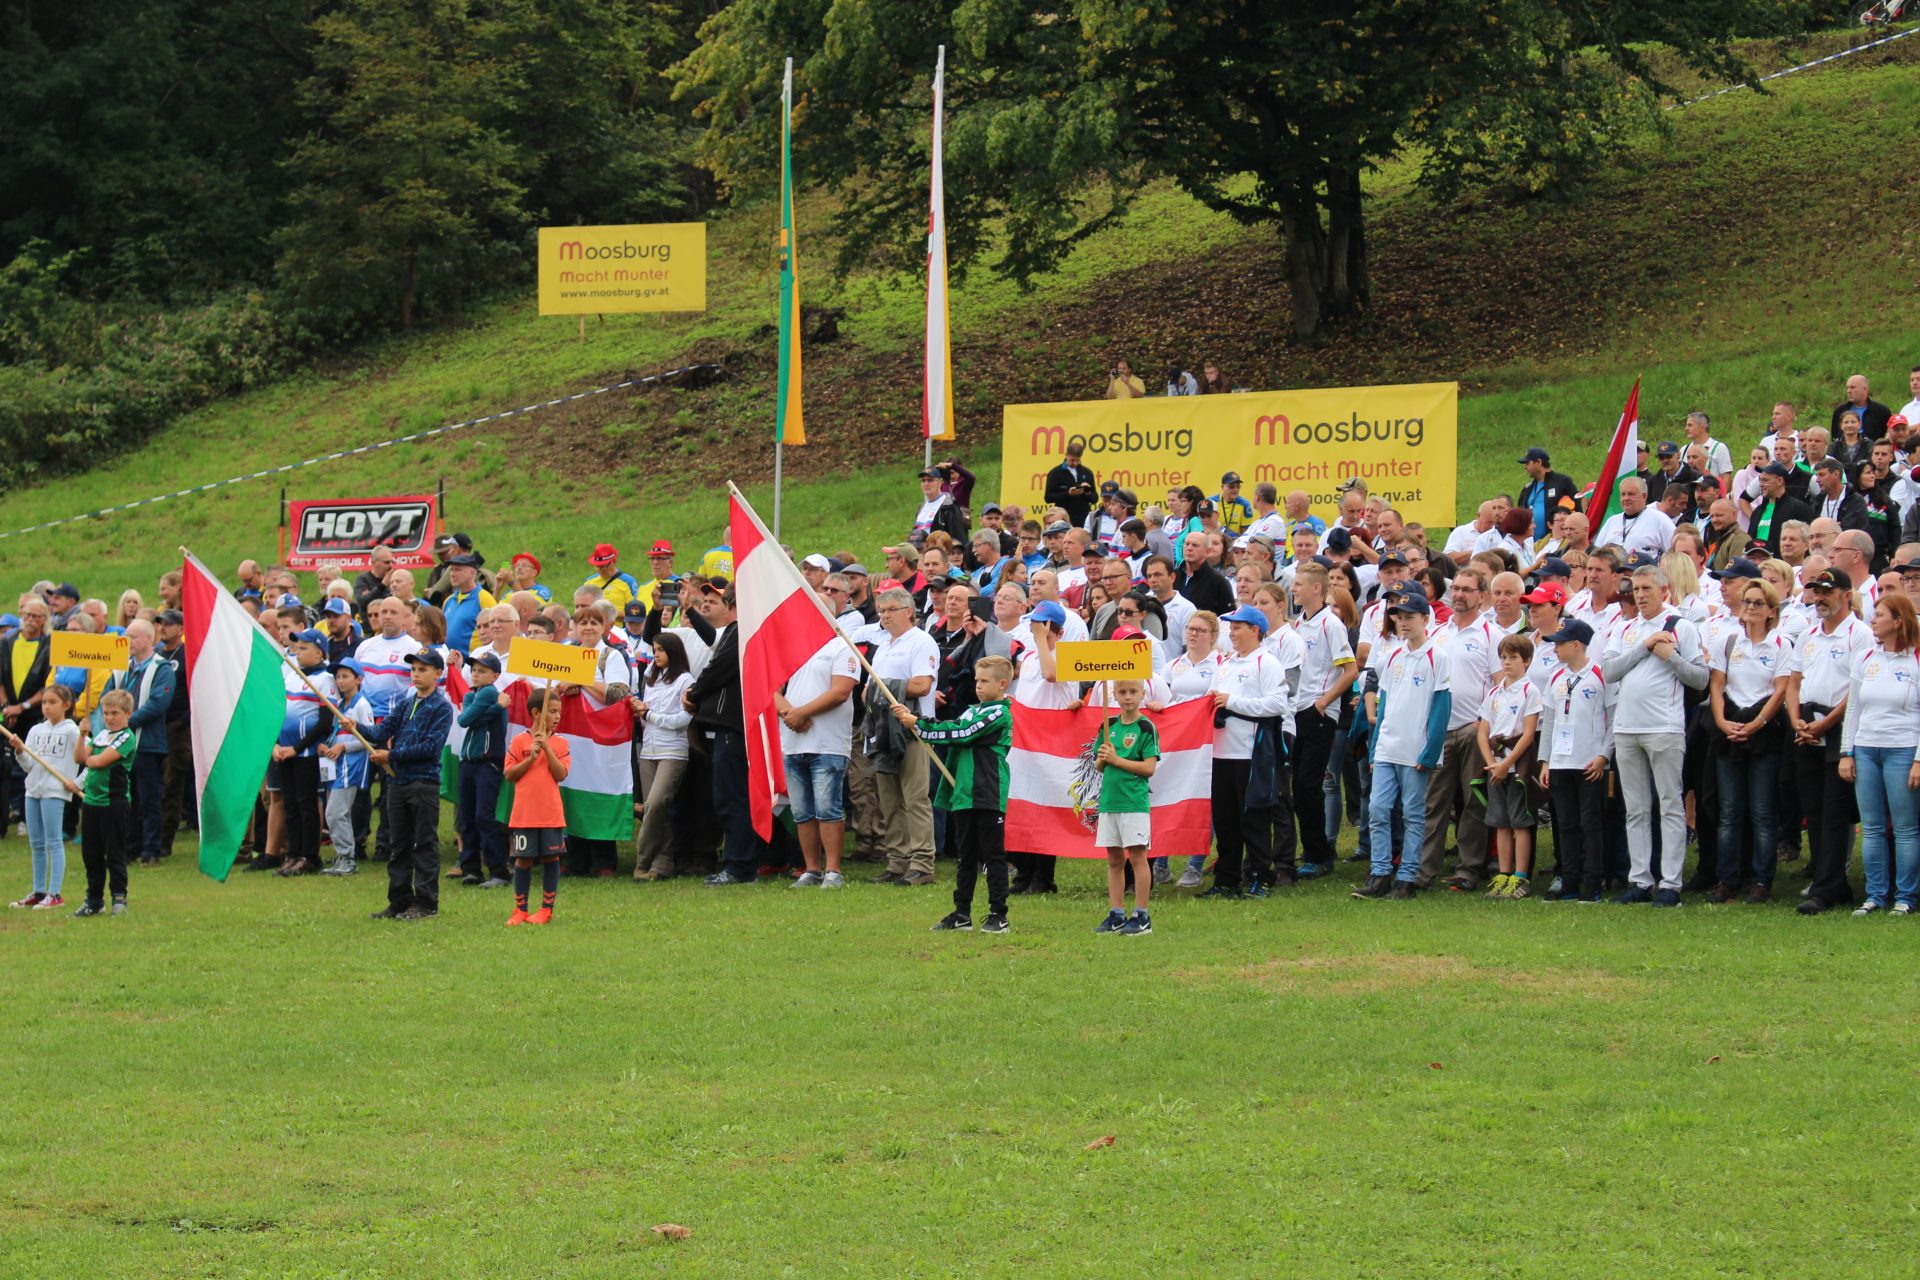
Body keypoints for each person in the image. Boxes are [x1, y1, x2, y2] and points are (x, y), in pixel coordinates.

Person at [1603, 564, 1708, 905]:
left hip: (1664, 726)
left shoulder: (1681, 626)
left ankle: (1670, 884)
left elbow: (1700, 678)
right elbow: (1609, 671)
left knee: (1669, 804)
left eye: (1647, 588)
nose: (1640, 595)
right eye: (1636, 589)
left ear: (1664, 591)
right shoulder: (1624, 628)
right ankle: (1640, 880)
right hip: (1626, 727)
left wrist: (1671, 657)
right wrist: (1645, 647)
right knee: (1635, 808)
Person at [1355, 588, 1450, 900]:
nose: (1403, 622)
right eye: (1398, 617)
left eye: (1410, 617)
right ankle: (1380, 872)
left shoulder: (1437, 657)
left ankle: (1408, 876)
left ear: (1425, 618)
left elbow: (1441, 707)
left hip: (1415, 750)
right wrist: (1374, 748)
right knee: (1378, 809)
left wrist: (1430, 751)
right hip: (1387, 747)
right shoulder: (1392, 656)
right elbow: (1383, 705)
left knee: (1413, 813)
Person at [911, 655, 1015, 934]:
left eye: (985, 681)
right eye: (977, 680)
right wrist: (920, 722)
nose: (978, 686)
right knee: (965, 856)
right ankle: (961, 914)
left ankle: (998, 914)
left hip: (988, 791)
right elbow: (955, 727)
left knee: (993, 856)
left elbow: (963, 733)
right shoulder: (971, 711)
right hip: (963, 792)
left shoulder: (999, 713)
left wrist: (920, 725)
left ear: (1002, 684)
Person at [1707, 578, 1792, 903]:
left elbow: (1781, 689)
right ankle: (1727, 878)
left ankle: (1761, 880)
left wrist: (1758, 723)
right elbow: (1717, 684)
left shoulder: (1781, 644)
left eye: (1758, 603)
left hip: (1764, 731)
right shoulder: (1729, 642)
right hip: (1730, 727)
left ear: (1772, 610)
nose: (1751, 608)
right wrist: (1720, 721)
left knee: (1763, 811)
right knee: (1730, 811)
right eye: (1747, 602)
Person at [1198, 605, 1290, 900]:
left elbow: (1278, 704)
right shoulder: (1226, 663)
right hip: (1221, 753)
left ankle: (1261, 876)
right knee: (1225, 820)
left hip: (1249, 753)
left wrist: (1233, 702)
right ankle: (1227, 879)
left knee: (1254, 818)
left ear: (1254, 630)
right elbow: (1212, 699)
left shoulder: (1267, 662)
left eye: (1237, 627)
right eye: (1231, 627)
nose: (1232, 633)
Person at [1838, 594, 1920, 915]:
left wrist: (1918, 759)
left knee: (1905, 828)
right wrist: (1847, 751)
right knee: (1871, 827)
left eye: (1880, 615)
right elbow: (1854, 708)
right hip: (1866, 749)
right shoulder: (1866, 657)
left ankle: (1906, 897)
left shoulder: (1916, 660)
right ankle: (1875, 895)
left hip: (1903, 749)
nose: (1873, 620)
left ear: (1898, 621)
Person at [367, 651, 454, 921]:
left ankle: (426, 903)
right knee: (399, 844)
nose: (416, 674)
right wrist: (352, 725)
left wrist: (390, 756)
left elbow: (430, 748)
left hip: (423, 783)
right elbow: (381, 732)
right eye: (413, 669)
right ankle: (399, 901)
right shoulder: (406, 704)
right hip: (398, 783)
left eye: (422, 669)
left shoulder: (442, 708)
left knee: (424, 843)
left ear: (438, 673)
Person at [778, 628, 860, 889]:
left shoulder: (842, 648)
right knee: (802, 811)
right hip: (793, 743)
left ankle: (833, 871)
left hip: (828, 743)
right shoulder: (791, 648)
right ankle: (812, 869)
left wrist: (800, 713)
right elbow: (771, 689)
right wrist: (791, 714)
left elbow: (840, 692)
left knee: (827, 808)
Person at [1289, 562, 1356, 878]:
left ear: (1316, 588)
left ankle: (1320, 855)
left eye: (1299, 584)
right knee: (1299, 786)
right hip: (1298, 711)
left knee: (1309, 784)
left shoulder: (1331, 624)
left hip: (1318, 713)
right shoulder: (1299, 623)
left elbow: (1350, 670)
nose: (1294, 589)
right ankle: (1313, 849)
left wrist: (1324, 702)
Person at [99, 618, 175, 868]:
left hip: (147, 744)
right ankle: (128, 847)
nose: (127, 641)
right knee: (125, 797)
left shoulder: (161, 668)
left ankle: (151, 849)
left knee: (149, 798)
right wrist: (113, 721)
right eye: (125, 636)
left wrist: (124, 722)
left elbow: (158, 703)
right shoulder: (120, 667)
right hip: (121, 745)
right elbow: (107, 697)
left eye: (133, 637)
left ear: (149, 639)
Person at [1087, 678, 1160, 936]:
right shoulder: (1108, 726)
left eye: (1133, 691)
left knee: (1138, 858)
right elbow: (1099, 764)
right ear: (1114, 695)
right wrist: (1103, 759)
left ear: (1142, 694)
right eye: (1122, 692)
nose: (1128, 696)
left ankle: (1142, 916)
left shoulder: (1145, 727)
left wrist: (1116, 759)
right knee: (1114, 859)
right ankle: (1116, 914)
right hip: (1110, 801)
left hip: (1134, 803)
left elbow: (1149, 768)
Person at [1476, 635, 1541, 898]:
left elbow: (1528, 733)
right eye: (1503, 657)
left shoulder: (1529, 691)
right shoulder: (1494, 692)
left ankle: (1520, 876)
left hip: (1517, 765)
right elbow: (1483, 732)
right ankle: (1503, 874)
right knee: (1500, 822)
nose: (1507, 662)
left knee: (1520, 822)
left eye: (1513, 658)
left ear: (1526, 661)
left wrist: (1507, 764)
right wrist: (1492, 764)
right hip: (1496, 766)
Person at [7, 683, 81, 910]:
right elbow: (29, 765)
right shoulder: (35, 731)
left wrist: (77, 783)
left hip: (55, 792)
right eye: (45, 703)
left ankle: (55, 893)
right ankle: (39, 891)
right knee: (36, 843)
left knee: (53, 841)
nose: (47, 707)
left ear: (66, 705)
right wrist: (20, 750)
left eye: (52, 702)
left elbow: (87, 758)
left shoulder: (73, 731)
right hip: (33, 790)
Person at [631, 633, 696, 882]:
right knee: (656, 810)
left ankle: (642, 861)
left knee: (655, 804)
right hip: (649, 750)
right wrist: (639, 711)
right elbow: (646, 714)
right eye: (655, 649)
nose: (655, 654)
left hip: (673, 751)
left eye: (661, 650)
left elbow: (684, 719)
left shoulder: (685, 680)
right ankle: (662, 864)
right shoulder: (651, 678)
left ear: (673, 652)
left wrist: (649, 716)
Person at [503, 689, 571, 926]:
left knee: (551, 858)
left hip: (551, 815)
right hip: (524, 815)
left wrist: (547, 749)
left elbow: (561, 773)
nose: (557, 716)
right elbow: (509, 774)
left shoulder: (561, 743)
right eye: (552, 711)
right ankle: (520, 910)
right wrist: (530, 758)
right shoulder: (519, 741)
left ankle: (546, 910)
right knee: (523, 860)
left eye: (559, 712)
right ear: (535, 713)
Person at [270, 630, 335, 877]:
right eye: (297, 648)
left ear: (319, 653)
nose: (298, 653)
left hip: (306, 753)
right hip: (284, 751)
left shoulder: (325, 680)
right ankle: (293, 853)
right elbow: (278, 712)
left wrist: (296, 748)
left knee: (306, 803)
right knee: (290, 804)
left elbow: (325, 723)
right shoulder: (291, 676)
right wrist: (276, 744)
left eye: (304, 648)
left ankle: (310, 856)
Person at [71, 689, 135, 918]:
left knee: (114, 852)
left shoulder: (126, 737)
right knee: (91, 854)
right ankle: (94, 899)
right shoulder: (100, 735)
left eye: (115, 713)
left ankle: (119, 897)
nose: (109, 718)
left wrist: (89, 759)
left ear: (128, 713)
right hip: (91, 802)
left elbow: (98, 762)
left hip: (113, 802)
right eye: (106, 713)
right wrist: (82, 736)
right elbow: (78, 758)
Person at [453, 651, 510, 888]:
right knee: (469, 816)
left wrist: (494, 707)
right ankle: (473, 869)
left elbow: (466, 719)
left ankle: (497, 870)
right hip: (470, 762)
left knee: (482, 817)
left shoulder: (488, 692)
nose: (475, 674)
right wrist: (496, 708)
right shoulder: (473, 695)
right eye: (474, 670)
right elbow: (466, 719)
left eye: (482, 671)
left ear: (495, 676)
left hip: (487, 762)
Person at [319, 658, 375, 877]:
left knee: (334, 812)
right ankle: (343, 856)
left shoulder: (362, 705)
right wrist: (328, 746)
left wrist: (344, 747)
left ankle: (347, 858)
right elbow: (336, 733)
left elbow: (369, 739)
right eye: (338, 677)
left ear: (358, 679)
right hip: (336, 764)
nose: (340, 681)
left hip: (351, 765)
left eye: (345, 676)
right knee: (338, 812)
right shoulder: (340, 704)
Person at [1592, 477, 1676, 560]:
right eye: (1623, 494)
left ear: (1644, 496)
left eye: (1631, 494)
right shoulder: (1611, 521)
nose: (1626, 498)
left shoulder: (1660, 520)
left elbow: (1675, 553)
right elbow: (1597, 553)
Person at [1517, 448, 1577, 538]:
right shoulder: (1528, 487)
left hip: (1556, 541)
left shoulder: (1563, 482)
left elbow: (1578, 506)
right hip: (1530, 542)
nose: (1525, 467)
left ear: (1538, 462)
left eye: (1527, 463)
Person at [1044, 441, 1098, 529]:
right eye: (1072, 460)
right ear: (1066, 455)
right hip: (1064, 519)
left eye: (1078, 460)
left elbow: (1095, 499)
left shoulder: (1087, 472)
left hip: (1083, 520)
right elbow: (1048, 497)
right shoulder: (1055, 473)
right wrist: (1068, 494)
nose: (1075, 463)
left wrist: (1087, 492)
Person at [1833, 372, 1892, 441]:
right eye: (1847, 388)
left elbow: (1889, 435)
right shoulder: (1840, 411)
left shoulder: (1882, 411)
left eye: (1852, 387)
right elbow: (1835, 437)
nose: (1848, 391)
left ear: (1865, 389)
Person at [582, 544, 639, 613]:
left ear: (613, 562)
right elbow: (582, 608)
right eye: (597, 566)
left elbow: (636, 611)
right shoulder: (589, 582)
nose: (600, 570)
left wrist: (609, 613)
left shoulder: (628, 581)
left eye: (603, 566)